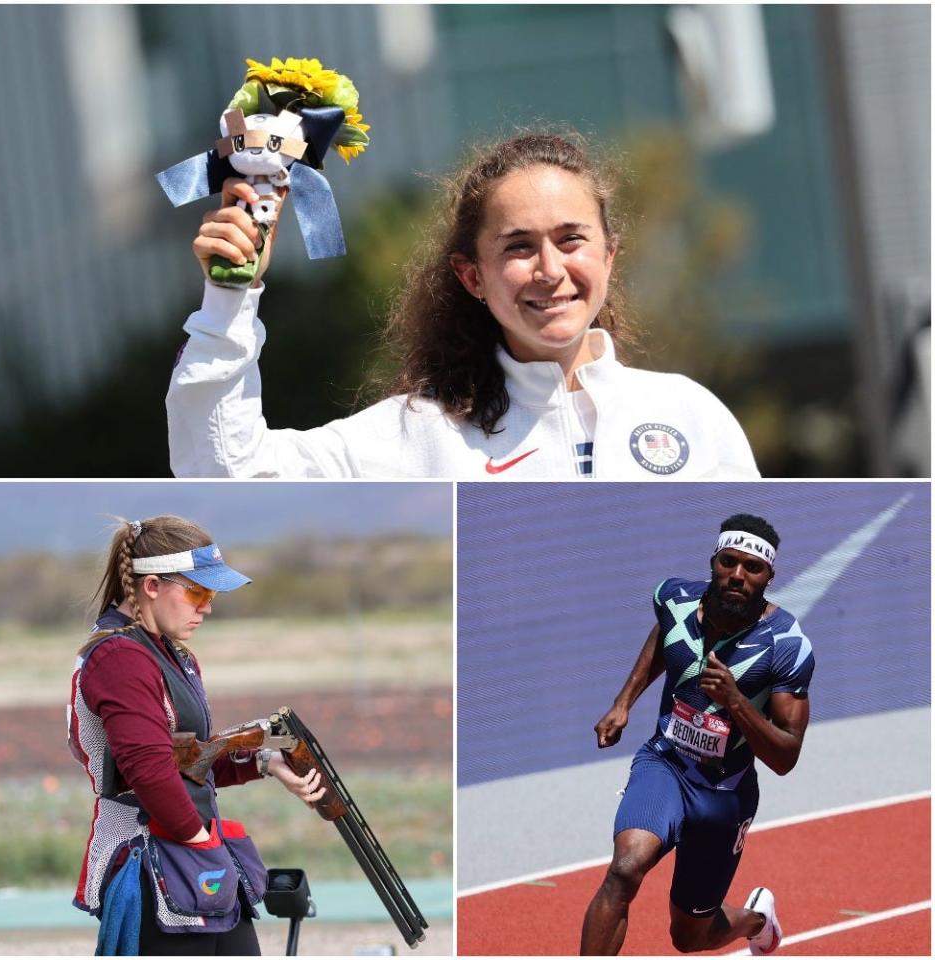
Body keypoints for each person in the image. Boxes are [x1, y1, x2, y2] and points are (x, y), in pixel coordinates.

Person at [168, 133, 760, 479]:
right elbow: (225, 471)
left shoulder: (688, 412)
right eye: (519, 247)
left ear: (609, 256)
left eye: (571, 239)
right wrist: (230, 298)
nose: (550, 270)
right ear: (471, 276)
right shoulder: (421, 436)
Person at [68, 515, 326, 955]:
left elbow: (185, 760)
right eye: (197, 592)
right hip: (152, 863)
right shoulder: (121, 657)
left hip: (178, 854)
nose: (206, 606)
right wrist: (199, 839)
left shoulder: (164, 651)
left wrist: (264, 762)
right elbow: (147, 770)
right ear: (151, 586)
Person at [580, 514, 814, 956]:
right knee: (625, 869)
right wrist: (623, 702)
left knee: (689, 937)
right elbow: (664, 639)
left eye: (753, 568)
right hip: (666, 763)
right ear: (714, 562)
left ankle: (758, 921)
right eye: (729, 562)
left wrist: (736, 702)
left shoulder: (786, 645)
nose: (738, 576)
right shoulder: (674, 599)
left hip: (724, 794)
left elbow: (786, 757)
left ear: (769, 577)